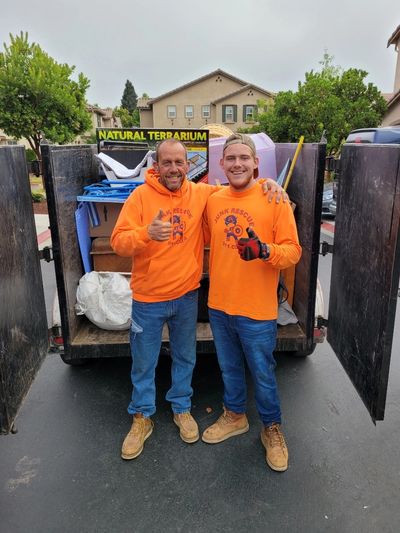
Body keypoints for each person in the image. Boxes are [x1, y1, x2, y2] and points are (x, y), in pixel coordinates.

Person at [111, 138, 286, 460]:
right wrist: (146, 234)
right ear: (157, 166)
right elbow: (118, 242)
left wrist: (270, 184)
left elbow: (240, 186)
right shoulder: (139, 197)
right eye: (168, 163)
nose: (175, 168)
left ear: (189, 166)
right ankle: (142, 417)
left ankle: (181, 408)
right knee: (144, 362)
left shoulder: (202, 193)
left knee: (185, 357)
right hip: (148, 297)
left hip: (187, 296)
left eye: (180, 162)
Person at [201, 133, 302, 472]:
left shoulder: (275, 199)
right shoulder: (214, 199)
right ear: (222, 163)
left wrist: (265, 251)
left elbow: (293, 252)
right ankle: (235, 416)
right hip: (219, 305)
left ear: (256, 162)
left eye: (244, 158)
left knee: (262, 372)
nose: (238, 164)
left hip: (257, 309)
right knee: (229, 367)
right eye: (231, 158)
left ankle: (272, 428)